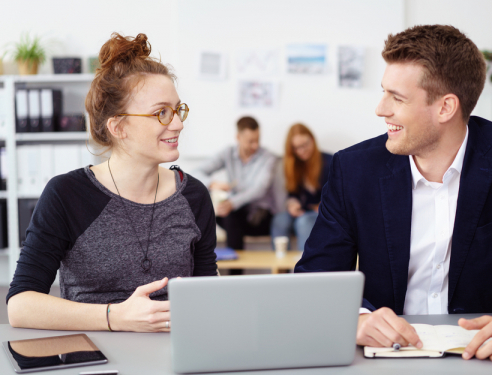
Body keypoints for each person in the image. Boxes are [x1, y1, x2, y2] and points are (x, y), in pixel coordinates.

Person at [295, 25, 492, 364]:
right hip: (383, 360)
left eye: (396, 98)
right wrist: (356, 319)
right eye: (383, 92)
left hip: (488, 358)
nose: (380, 109)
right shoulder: (354, 169)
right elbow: (317, 279)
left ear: (446, 107)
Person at [6, 33, 217, 332]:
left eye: (177, 110)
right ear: (118, 127)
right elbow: (20, 305)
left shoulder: (194, 196)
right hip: (94, 351)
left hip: (175, 352)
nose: (178, 124)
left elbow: (208, 295)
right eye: (161, 113)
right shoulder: (66, 194)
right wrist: (115, 317)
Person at [195, 116, 277, 250]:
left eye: (257, 140)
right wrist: (212, 183)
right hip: (235, 216)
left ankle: (234, 269)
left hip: (259, 217)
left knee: (229, 213)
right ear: (238, 137)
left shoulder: (268, 158)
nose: (255, 145)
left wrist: (232, 203)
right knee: (219, 212)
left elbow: (259, 189)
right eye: (250, 141)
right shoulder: (227, 153)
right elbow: (195, 172)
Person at [271, 123, 332, 250]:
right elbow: (292, 193)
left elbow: (339, 194)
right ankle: (281, 267)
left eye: (305, 145)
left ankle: (304, 268)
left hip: (322, 213)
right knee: (279, 220)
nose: (301, 151)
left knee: (304, 222)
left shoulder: (330, 162)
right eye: (296, 148)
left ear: (312, 140)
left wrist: (324, 206)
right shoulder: (293, 165)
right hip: (302, 211)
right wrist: (292, 204)